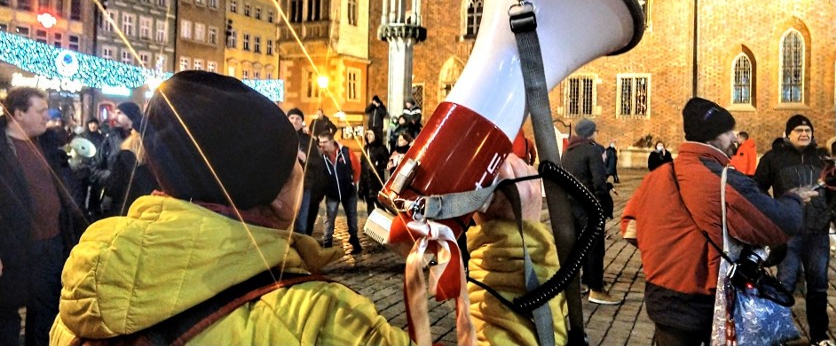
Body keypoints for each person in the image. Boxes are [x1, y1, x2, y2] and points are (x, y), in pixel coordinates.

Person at [51, 71, 567, 345]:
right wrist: (513, 239)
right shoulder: (315, 320)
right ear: (279, 197)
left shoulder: (85, 297)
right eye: (297, 163)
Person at [621, 98, 812, 345]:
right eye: (727, 131)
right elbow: (779, 225)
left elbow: (629, 229)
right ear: (711, 137)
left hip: (662, 300)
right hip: (705, 304)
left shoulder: (656, 176)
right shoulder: (725, 181)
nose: (734, 138)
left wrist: (668, 254)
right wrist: (794, 199)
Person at [0, 87, 85, 346]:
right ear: (18, 113)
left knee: (46, 313)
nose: (46, 117)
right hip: (11, 249)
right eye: (40, 111)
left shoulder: (47, 144)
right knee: (6, 314)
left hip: (50, 244)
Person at [754, 115, 834, 346]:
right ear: (787, 133)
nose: (804, 134)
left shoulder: (822, 159)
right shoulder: (774, 158)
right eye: (798, 130)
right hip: (788, 233)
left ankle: (819, 336)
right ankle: (777, 333)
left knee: (818, 286)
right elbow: (757, 189)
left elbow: (833, 191)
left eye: (807, 130)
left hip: (817, 233)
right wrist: (771, 215)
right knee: (785, 284)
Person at [561, 118, 621, 305]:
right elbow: (598, 182)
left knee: (578, 245)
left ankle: (582, 283)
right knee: (595, 247)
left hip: (571, 205)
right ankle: (596, 288)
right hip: (589, 206)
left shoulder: (568, 152)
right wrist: (602, 204)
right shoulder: (592, 150)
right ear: (591, 132)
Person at [317, 131, 363, 253]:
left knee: (352, 217)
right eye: (320, 142)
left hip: (348, 191)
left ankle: (354, 240)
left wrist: (353, 182)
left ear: (332, 142)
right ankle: (327, 243)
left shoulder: (346, 152)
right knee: (329, 217)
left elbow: (357, 167)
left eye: (324, 142)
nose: (322, 145)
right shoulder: (321, 156)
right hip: (332, 192)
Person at [287, 107, 326, 235]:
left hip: (304, 186)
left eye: (297, 118)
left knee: (301, 224)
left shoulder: (308, 140)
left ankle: (300, 251)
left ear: (302, 121)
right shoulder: (282, 136)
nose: (294, 121)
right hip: (285, 187)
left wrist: (305, 158)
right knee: (286, 222)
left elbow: (316, 162)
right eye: (291, 118)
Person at [359, 129, 389, 215]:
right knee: (370, 205)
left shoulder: (381, 148)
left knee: (380, 204)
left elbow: (386, 161)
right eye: (367, 135)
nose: (368, 136)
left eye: (371, 134)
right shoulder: (366, 148)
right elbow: (362, 164)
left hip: (377, 180)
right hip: (367, 181)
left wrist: (378, 164)